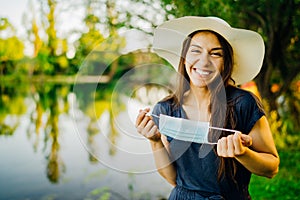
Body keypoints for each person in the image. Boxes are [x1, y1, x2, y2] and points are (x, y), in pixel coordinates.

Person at [135, 16, 279, 200]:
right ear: (184, 57)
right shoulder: (165, 109)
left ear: (226, 62)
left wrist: (243, 153)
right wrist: (154, 141)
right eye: (195, 51)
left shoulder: (244, 103)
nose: (204, 61)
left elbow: (272, 168)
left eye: (215, 53)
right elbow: (173, 179)